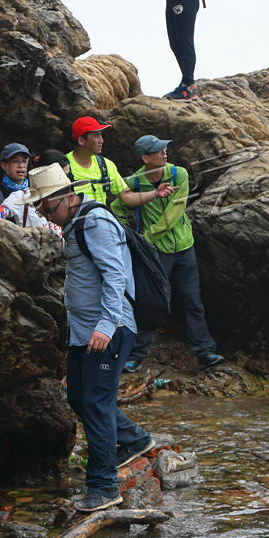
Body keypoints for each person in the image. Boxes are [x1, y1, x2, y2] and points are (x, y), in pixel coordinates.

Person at [27, 164, 156, 512]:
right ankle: (136, 440)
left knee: (96, 403)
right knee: (78, 397)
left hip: (107, 330)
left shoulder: (94, 222)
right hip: (83, 332)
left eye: (47, 206)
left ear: (68, 196)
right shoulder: (73, 223)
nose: (44, 213)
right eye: (39, 208)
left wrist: (106, 325)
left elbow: (115, 276)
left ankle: (103, 487)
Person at [112, 135, 223, 372]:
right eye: (158, 150)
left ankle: (205, 352)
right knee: (151, 301)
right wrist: (128, 233)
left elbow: (175, 210)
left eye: (165, 149)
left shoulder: (178, 174)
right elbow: (117, 206)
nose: (165, 153)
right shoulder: (135, 181)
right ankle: (136, 355)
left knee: (193, 300)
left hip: (184, 247)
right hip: (156, 253)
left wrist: (147, 237)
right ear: (145, 158)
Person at [66, 116, 174, 207]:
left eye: (101, 135)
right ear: (81, 140)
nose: (102, 141)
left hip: (99, 227)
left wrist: (155, 193)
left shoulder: (105, 165)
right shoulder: (63, 167)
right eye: (97, 135)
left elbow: (127, 197)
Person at [0, 143, 32, 214]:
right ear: (4, 165)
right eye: (15, 161)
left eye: (24, 161)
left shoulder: (34, 193)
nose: (21, 166)